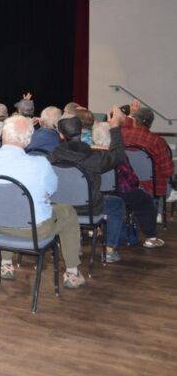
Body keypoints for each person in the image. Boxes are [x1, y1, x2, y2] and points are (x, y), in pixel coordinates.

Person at [0, 115, 86, 288]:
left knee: (6, 207)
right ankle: (72, 273)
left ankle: (6, 265)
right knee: (68, 211)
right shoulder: (40, 164)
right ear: (28, 140)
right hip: (34, 231)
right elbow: (51, 191)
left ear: (3, 136)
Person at [50, 109, 127, 262]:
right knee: (118, 203)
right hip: (90, 209)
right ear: (82, 131)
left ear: (60, 135)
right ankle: (110, 250)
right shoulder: (94, 157)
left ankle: (74, 243)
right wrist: (115, 128)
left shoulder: (52, 156)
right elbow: (119, 156)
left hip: (60, 208)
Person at [92, 122, 164, 248]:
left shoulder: (88, 154)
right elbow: (130, 180)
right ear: (113, 138)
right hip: (119, 193)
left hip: (95, 195)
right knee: (145, 200)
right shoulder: (118, 156)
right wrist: (137, 186)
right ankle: (151, 238)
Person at [121, 101, 174, 201]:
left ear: (135, 120)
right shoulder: (157, 141)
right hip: (150, 188)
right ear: (150, 123)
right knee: (167, 181)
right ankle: (158, 213)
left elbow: (123, 126)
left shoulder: (123, 134)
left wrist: (131, 115)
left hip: (126, 183)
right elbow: (168, 171)